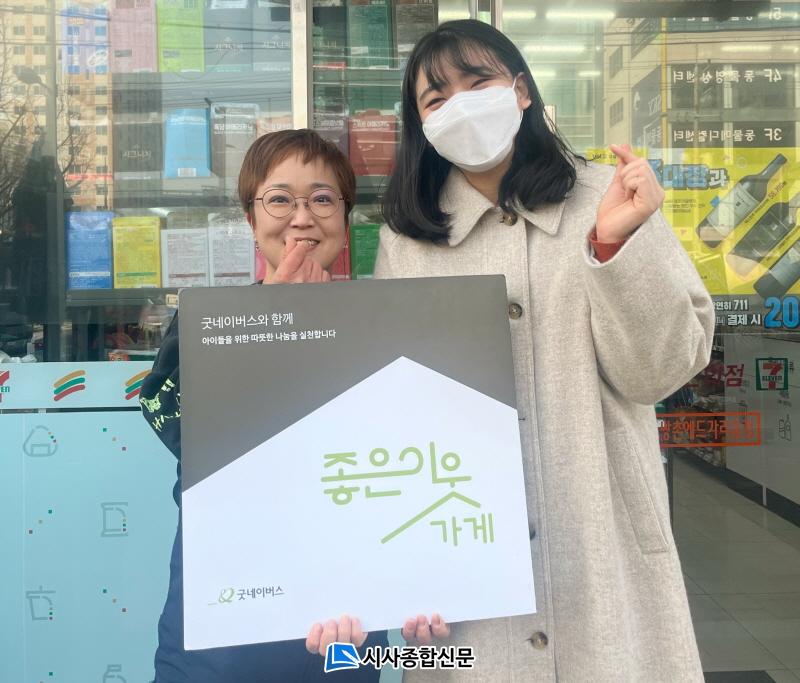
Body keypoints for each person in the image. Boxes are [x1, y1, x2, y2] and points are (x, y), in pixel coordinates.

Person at [376, 20, 714, 682]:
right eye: (436, 99)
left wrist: (613, 247)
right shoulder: (409, 239)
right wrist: (407, 563)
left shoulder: (608, 197)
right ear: (422, 126)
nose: (460, 106)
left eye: (479, 82)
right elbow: (402, 411)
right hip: (467, 550)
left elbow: (660, 371)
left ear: (521, 91)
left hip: (603, 542)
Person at [140, 129, 388, 682]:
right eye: (279, 200)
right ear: (251, 220)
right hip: (223, 622)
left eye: (322, 199)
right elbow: (172, 422)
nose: (302, 218)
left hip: (345, 616)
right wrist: (272, 324)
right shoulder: (210, 323)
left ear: (345, 219)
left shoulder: (381, 326)